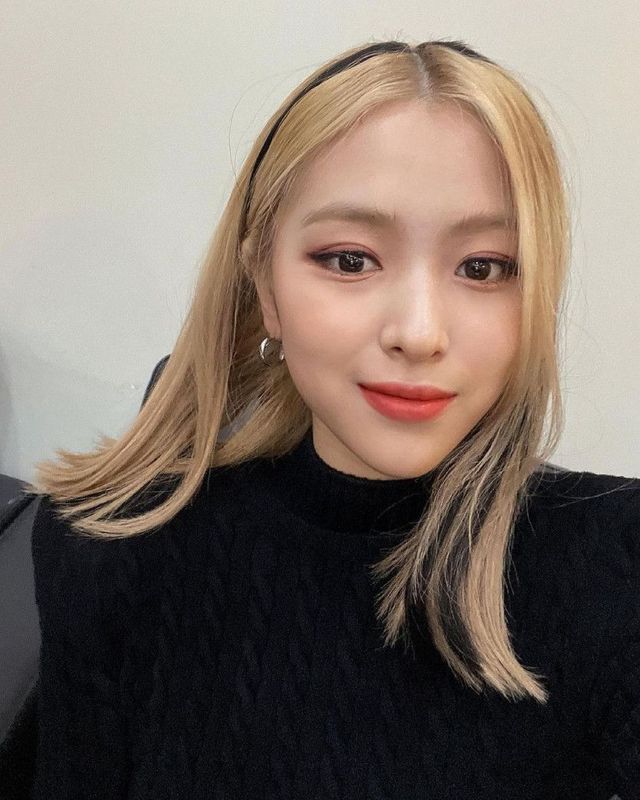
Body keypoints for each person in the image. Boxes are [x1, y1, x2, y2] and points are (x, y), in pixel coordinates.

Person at [23, 39, 640, 799]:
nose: (419, 333)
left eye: (483, 267)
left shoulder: (618, 563)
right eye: (350, 260)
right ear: (265, 285)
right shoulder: (107, 544)